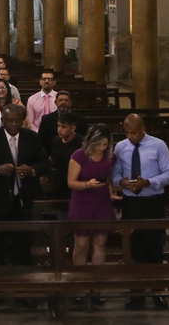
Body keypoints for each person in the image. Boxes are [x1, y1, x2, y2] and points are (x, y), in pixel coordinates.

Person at [0, 104, 48, 281]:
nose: (14, 124)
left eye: (18, 121)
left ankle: (23, 291)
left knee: (22, 247)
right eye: (10, 120)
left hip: (23, 200)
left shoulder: (32, 138)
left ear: (23, 121)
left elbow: (44, 164)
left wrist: (31, 170)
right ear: (3, 121)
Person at [111, 113, 169, 309]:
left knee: (154, 246)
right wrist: (121, 182)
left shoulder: (158, 145)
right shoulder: (121, 147)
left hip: (152, 201)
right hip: (131, 203)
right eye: (127, 133)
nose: (131, 136)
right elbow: (115, 175)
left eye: (134, 133)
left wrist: (148, 182)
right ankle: (136, 293)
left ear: (143, 129)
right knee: (133, 248)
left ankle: (157, 292)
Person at [67, 124, 118, 305]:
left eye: (105, 144)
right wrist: (87, 184)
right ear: (90, 141)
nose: (102, 148)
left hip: (101, 202)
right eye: (98, 144)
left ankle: (97, 288)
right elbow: (71, 182)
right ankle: (79, 287)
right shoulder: (79, 156)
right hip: (82, 202)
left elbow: (109, 178)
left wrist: (111, 192)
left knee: (100, 242)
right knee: (81, 243)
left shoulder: (110, 156)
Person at [47, 111, 83, 201]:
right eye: (58, 126)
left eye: (63, 127)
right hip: (59, 181)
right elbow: (54, 159)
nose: (59, 129)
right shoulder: (56, 141)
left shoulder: (81, 142)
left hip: (76, 180)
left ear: (73, 128)